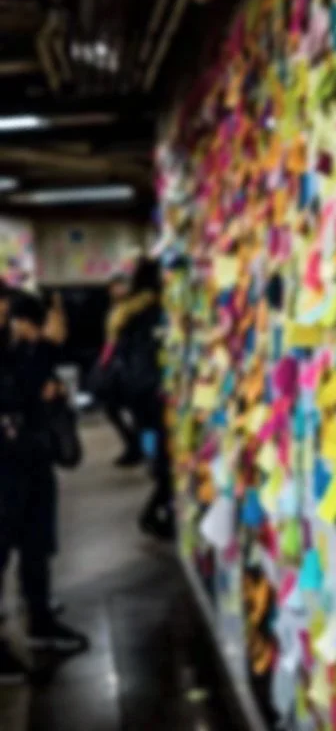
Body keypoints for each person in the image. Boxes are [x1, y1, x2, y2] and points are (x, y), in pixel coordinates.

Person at [0, 290, 89, 683]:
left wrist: (43, 357)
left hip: (29, 459)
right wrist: (44, 349)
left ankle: (39, 620)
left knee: (36, 543)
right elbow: (15, 391)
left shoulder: (14, 343)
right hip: (7, 465)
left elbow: (27, 389)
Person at [110, 257, 173, 540]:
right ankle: (152, 513)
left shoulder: (125, 312)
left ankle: (161, 508)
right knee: (168, 456)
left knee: (160, 451)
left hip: (135, 393)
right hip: (154, 390)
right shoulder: (154, 310)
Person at [98, 272, 145, 466]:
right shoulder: (114, 310)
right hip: (119, 366)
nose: (118, 290)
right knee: (113, 409)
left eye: (121, 285)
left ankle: (136, 448)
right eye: (114, 287)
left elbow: (120, 340)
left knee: (135, 411)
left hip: (131, 367)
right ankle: (133, 445)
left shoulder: (133, 308)